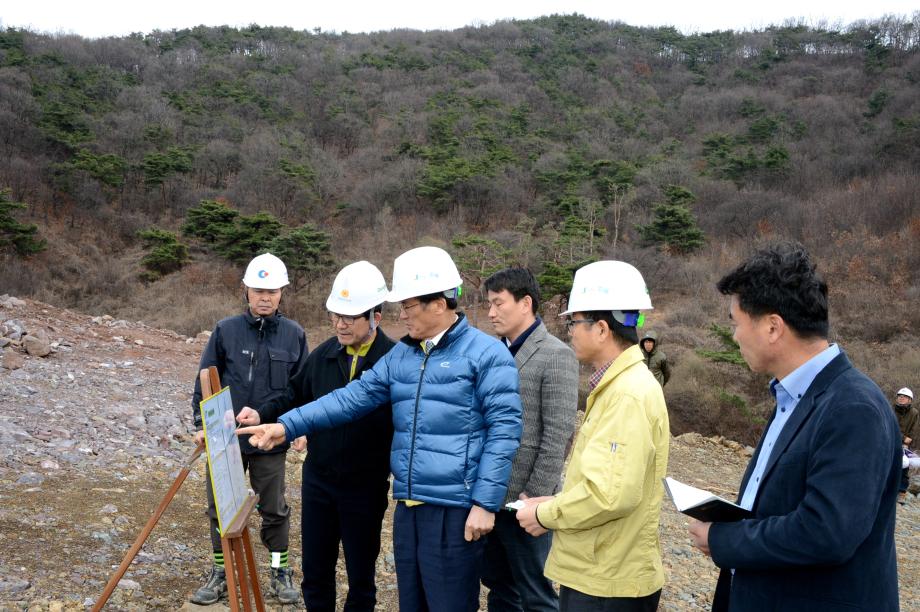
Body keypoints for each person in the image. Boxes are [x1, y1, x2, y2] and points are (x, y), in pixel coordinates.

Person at [240, 246, 523, 612]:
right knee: (413, 604)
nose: (400, 314)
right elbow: (349, 399)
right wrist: (286, 426)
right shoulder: (402, 356)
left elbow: (504, 431)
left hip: (455, 508)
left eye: (408, 306)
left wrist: (485, 503)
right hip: (409, 506)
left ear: (439, 304)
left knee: (449, 604)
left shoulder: (486, 354)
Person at [687, 242, 901, 611]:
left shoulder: (852, 407)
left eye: (737, 324)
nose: (735, 336)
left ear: (772, 327)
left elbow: (827, 532)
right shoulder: (797, 396)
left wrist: (725, 541)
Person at [516, 260, 669, 612]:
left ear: (601, 329)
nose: (569, 330)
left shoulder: (627, 393)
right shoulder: (619, 384)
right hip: (602, 569)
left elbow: (609, 496)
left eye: (574, 321)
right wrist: (550, 504)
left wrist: (545, 515)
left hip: (608, 583)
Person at [251, 261, 395, 610]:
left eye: (350, 317)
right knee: (316, 572)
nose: (340, 324)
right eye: (335, 315)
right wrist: (261, 412)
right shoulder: (325, 354)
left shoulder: (393, 360)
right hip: (319, 481)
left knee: (361, 575)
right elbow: (294, 394)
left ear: (375, 315)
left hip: (365, 485)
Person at [190, 252, 307, 605]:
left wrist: (300, 426)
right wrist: (201, 424)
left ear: (282, 292)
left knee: (274, 508)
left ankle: (278, 570)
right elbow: (204, 380)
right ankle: (222, 572)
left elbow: (300, 388)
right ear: (246, 289)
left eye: (272, 290)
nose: (265, 297)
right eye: (258, 289)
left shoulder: (294, 335)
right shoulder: (226, 330)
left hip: (270, 438)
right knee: (221, 507)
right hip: (225, 438)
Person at [481, 268, 579, 612]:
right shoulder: (490, 352)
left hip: (527, 500)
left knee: (535, 593)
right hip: (488, 494)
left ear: (525, 303)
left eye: (498, 303)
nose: (491, 312)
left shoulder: (556, 355)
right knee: (499, 587)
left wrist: (535, 498)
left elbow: (558, 435)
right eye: (488, 304)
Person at [893, 387, 918, 505]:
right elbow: (891, 427)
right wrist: (903, 438)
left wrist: (908, 442)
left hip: (905, 445)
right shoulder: (890, 409)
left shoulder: (914, 413)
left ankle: (902, 492)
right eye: (900, 396)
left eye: (905, 396)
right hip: (890, 440)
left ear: (910, 400)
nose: (901, 398)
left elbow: (914, 429)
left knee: (904, 467)